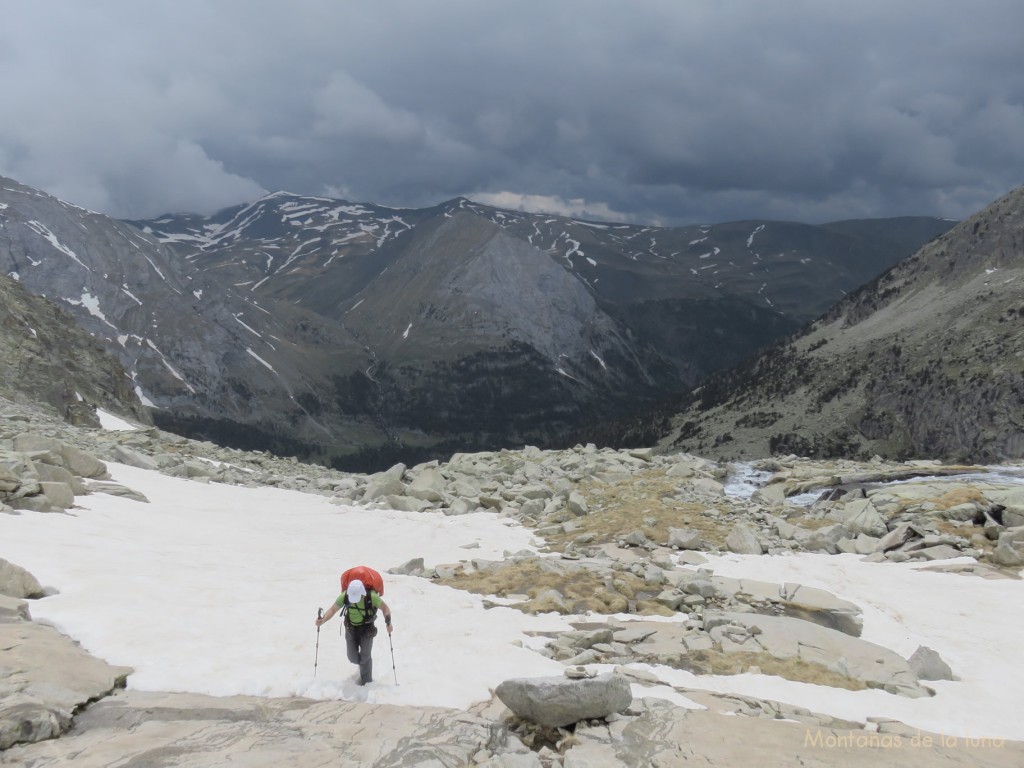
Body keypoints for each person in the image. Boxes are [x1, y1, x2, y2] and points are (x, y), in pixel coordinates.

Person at [316, 578, 393, 685]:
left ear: (362, 593)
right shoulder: (345, 596)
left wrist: (388, 623)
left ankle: (367, 684)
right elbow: (333, 609)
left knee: (365, 657)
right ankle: (362, 670)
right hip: (351, 628)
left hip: (367, 628)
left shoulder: (371, 597)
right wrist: (322, 620)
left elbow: (385, 608)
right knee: (352, 657)